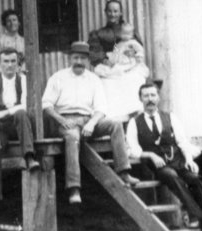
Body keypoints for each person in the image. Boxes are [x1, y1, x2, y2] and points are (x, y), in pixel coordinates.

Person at [41, 41, 139, 204]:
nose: (79, 61)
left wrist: (92, 123)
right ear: (70, 58)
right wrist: (61, 120)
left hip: (89, 120)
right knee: (72, 137)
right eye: (75, 57)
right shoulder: (58, 78)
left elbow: (101, 108)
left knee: (115, 124)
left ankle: (123, 171)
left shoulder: (94, 79)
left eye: (82, 58)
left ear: (87, 60)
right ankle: (74, 188)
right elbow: (46, 105)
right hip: (67, 120)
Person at [126, 82, 202, 223]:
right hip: (157, 166)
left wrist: (189, 159)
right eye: (146, 96)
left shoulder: (170, 117)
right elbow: (131, 150)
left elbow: (182, 141)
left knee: (194, 178)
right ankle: (195, 216)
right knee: (171, 175)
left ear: (158, 98)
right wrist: (150, 155)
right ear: (140, 99)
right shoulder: (134, 122)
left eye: (153, 95)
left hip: (177, 160)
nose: (150, 99)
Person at [0, 48, 40, 219]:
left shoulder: (23, 80)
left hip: (19, 127)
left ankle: (29, 158)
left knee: (21, 114)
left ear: (18, 63)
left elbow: (24, 106)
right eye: (5, 62)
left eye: (13, 61)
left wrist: (5, 112)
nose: (9, 65)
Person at [93, 21, 149, 121]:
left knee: (131, 78)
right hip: (120, 64)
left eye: (128, 34)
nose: (126, 36)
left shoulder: (133, 43)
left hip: (131, 63)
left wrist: (138, 57)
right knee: (109, 78)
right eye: (123, 33)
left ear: (132, 34)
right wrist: (112, 60)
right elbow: (115, 55)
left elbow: (140, 51)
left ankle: (132, 109)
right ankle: (115, 113)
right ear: (119, 33)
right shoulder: (118, 44)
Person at [88, 0, 140, 66]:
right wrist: (104, 61)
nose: (112, 14)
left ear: (120, 12)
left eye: (115, 11)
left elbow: (138, 47)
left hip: (129, 64)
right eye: (109, 11)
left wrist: (132, 52)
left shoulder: (128, 31)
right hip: (108, 66)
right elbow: (94, 52)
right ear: (105, 12)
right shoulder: (99, 34)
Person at [0, 8, 25, 74]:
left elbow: (26, 62)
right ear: (4, 24)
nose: (12, 23)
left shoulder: (23, 41)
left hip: (19, 75)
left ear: (19, 22)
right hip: (2, 76)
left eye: (14, 20)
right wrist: (5, 74)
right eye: (9, 21)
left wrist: (20, 71)